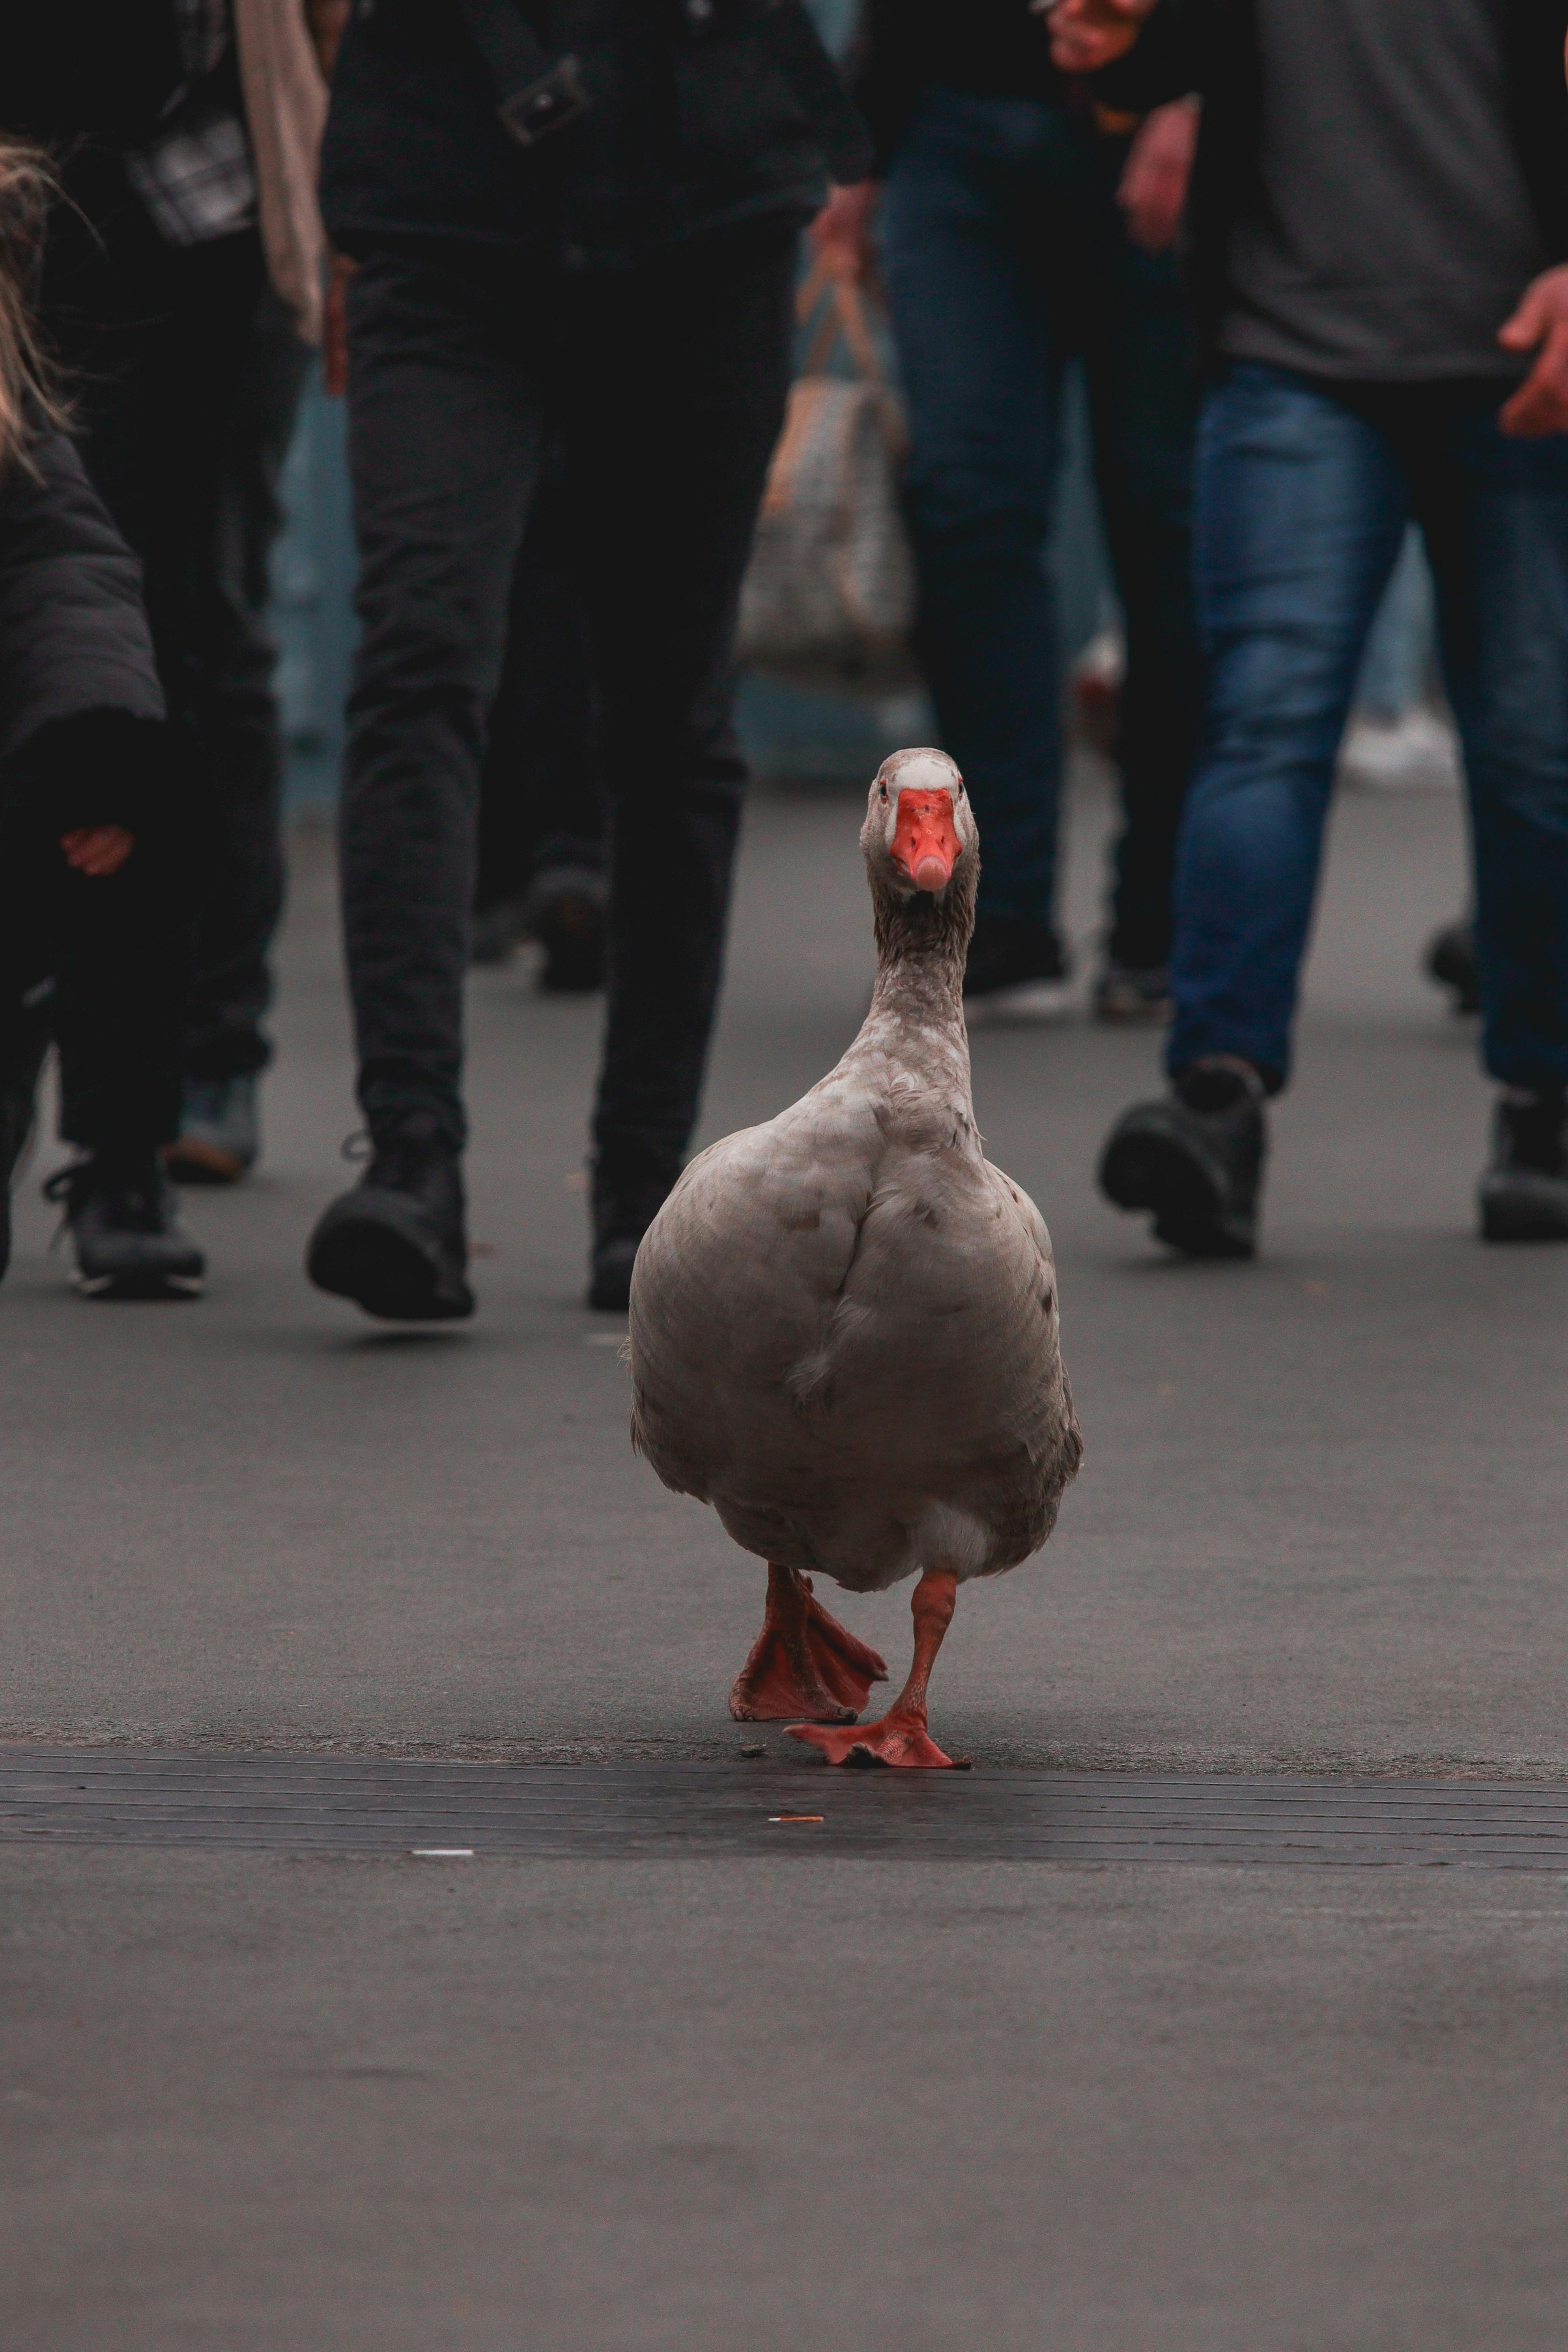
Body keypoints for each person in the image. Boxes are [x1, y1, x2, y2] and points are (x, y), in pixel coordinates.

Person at [305, 0, 871, 1320]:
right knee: (419, 656)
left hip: (703, 201)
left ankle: (646, 1194)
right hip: (443, 203)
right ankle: (411, 1163)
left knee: (673, 709)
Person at [1049, 0, 1568, 1251]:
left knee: (1535, 736)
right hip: (1293, 358)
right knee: (1265, 720)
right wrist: (1104, 45)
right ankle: (1214, 1098)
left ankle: (1548, 1103)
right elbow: (1150, 54)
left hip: (1521, 356)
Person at [814, 2, 1204, 1023]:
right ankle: (1000, 914)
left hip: (1154, 107)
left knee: (1170, 529)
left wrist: (1207, 86)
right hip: (953, 117)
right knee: (967, 507)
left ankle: (1160, 922)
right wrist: (861, 145)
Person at [11, 1, 330, 1187]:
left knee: (192, 640)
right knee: (94, 646)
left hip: (211, 228)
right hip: (32, 219)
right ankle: (118, 1098)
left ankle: (197, 1062)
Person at [0, 141, 204, 1299]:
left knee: (126, 842)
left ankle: (122, 1158)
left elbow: (70, 583)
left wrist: (103, 764)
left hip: (25, 765)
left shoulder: (24, 451)